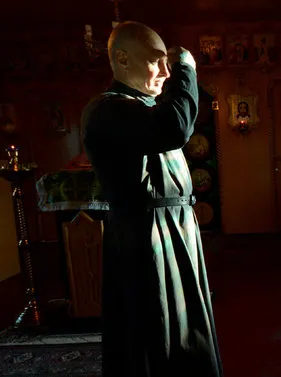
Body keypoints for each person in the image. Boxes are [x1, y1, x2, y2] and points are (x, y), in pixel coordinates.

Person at [81, 21, 223, 377]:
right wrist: (186, 68)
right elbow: (174, 128)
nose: (164, 72)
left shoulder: (144, 108)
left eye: (167, 64)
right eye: (155, 62)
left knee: (187, 322)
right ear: (123, 59)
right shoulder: (106, 109)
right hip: (144, 237)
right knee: (155, 327)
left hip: (175, 232)